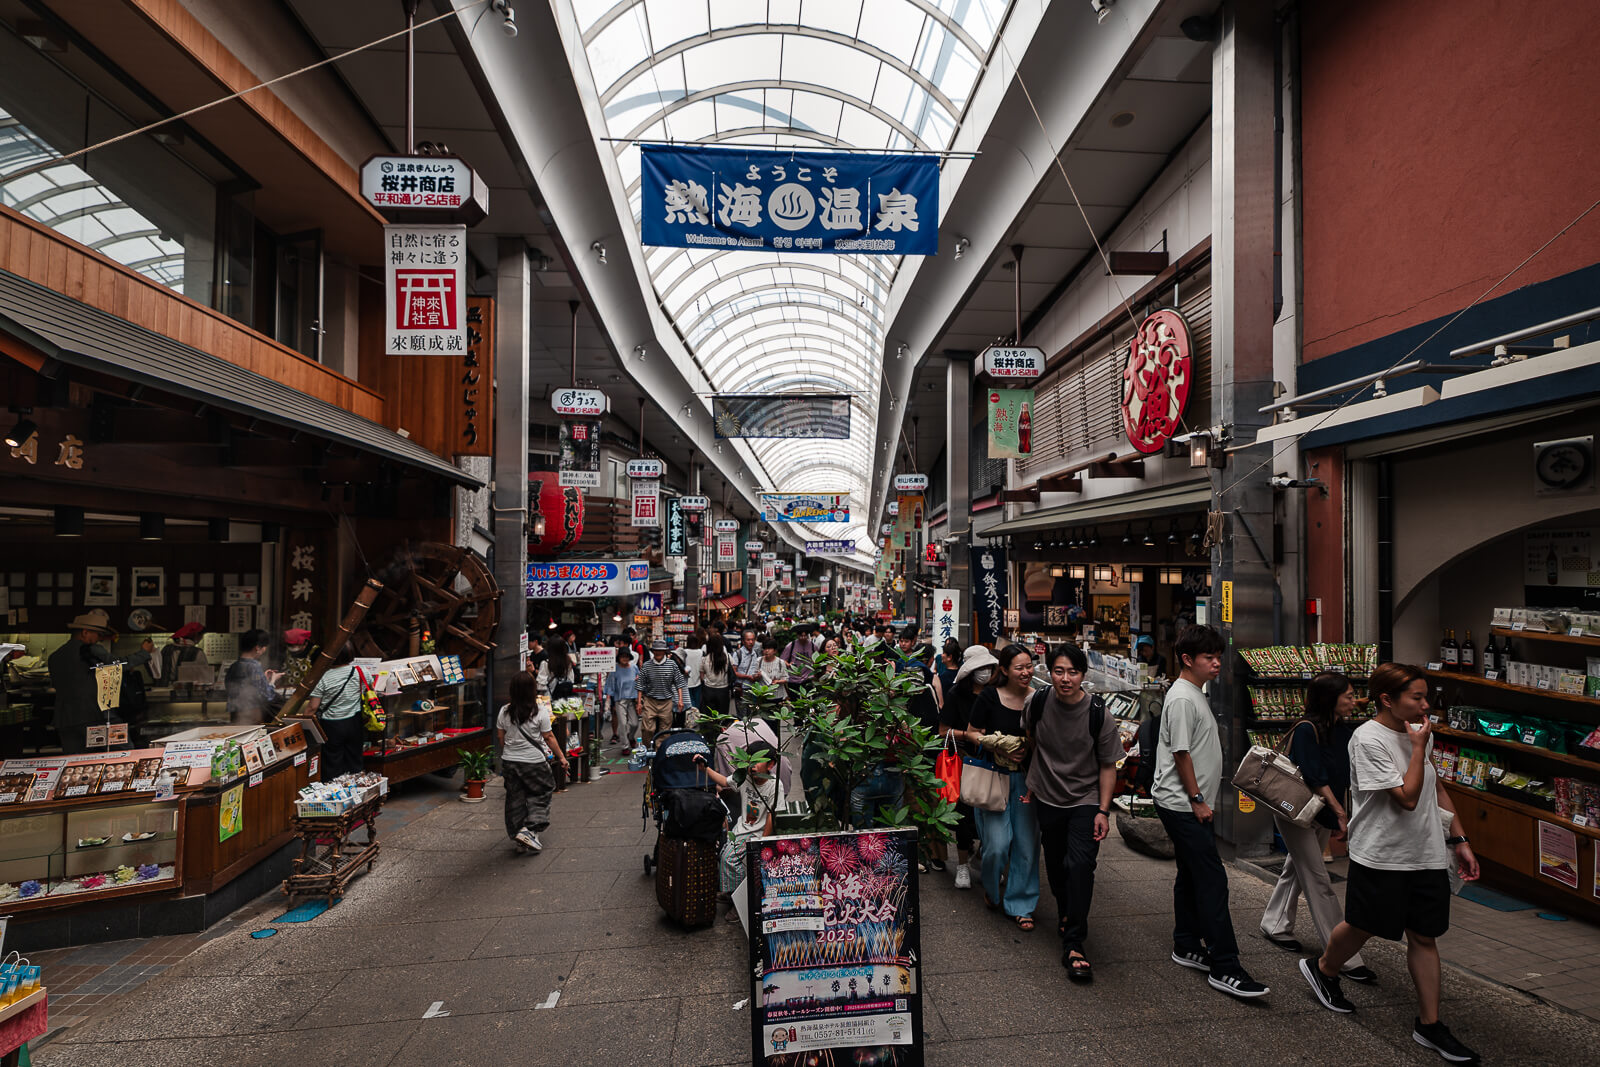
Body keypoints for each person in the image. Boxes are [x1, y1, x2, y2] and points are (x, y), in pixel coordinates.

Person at [1301, 663, 1481, 1063]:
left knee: (1423, 935)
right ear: (1387, 699)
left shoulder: (1419, 734)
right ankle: (1324, 967)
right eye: (1416, 697)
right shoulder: (1367, 740)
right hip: (1381, 854)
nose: (1425, 705)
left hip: (1426, 852)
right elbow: (1407, 797)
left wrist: (1460, 838)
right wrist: (1418, 748)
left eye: (1425, 696)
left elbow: (1434, 786)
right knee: (1365, 925)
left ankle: (1429, 1025)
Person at [1154, 624, 1270, 999]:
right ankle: (1225, 966)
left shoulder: (1192, 693)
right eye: (1209, 657)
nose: (1217, 663)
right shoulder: (1184, 698)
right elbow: (1181, 753)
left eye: (1218, 656)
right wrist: (1197, 799)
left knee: (1191, 874)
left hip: (1183, 802)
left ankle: (1186, 944)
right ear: (1188, 660)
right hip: (1183, 803)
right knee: (1212, 881)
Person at [1259, 671, 1373, 982]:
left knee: (1295, 869)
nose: (1353, 701)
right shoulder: (1308, 729)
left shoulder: (1342, 729)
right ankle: (1343, 955)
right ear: (1329, 699)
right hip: (1297, 811)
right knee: (1317, 878)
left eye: (1353, 695)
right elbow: (1315, 777)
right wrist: (1339, 812)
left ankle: (1275, 923)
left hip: (1321, 813)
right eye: (1347, 696)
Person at [1026, 643, 1122, 981]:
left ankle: (1074, 943)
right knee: (1055, 862)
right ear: (1049, 672)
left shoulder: (1099, 713)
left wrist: (1103, 810)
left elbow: (1108, 765)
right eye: (1059, 671)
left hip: (1085, 799)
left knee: (1080, 864)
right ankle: (1067, 911)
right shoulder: (1037, 702)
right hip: (1048, 797)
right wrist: (1037, 779)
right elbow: (1031, 738)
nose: (1066, 679)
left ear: (1083, 674)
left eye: (1073, 672)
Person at [963, 644, 1040, 929]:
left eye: (1029, 666)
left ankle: (1021, 905)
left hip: (1027, 780)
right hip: (995, 777)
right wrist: (999, 746)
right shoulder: (989, 697)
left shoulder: (1038, 699)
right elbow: (971, 732)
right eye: (1019, 667)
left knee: (1026, 845)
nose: (1026, 672)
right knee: (996, 845)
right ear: (1004, 670)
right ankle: (992, 889)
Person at [939, 644, 996, 891]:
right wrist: (969, 735)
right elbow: (943, 731)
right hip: (964, 760)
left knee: (992, 809)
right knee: (963, 814)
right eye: (980, 668)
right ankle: (962, 865)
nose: (984, 672)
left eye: (988, 667)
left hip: (992, 761)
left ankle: (983, 858)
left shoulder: (996, 693)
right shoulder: (955, 695)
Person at [698, 744, 780, 912]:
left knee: (730, 859)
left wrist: (763, 841)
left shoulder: (774, 785)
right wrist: (704, 768)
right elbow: (724, 781)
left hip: (756, 834)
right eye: (749, 760)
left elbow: (772, 815)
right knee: (725, 856)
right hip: (741, 830)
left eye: (757, 761)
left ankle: (740, 904)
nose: (752, 765)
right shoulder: (744, 777)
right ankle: (733, 894)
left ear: (770, 765)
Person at [497, 669, 567, 854]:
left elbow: (501, 738)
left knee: (515, 799)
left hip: (510, 762)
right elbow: (549, 737)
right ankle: (530, 829)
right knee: (541, 792)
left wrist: (511, 752)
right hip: (533, 762)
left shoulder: (504, 711)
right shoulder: (539, 711)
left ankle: (519, 835)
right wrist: (561, 757)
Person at [48, 609, 116, 754]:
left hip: (64, 718)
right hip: (90, 716)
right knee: (94, 760)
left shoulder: (55, 656)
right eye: (97, 634)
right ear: (85, 633)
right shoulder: (89, 652)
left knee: (72, 761)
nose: (99, 639)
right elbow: (115, 666)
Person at [306, 645, 366, 780]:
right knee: (354, 758)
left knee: (332, 761)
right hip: (355, 721)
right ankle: (358, 790)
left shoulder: (323, 678)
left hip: (331, 725)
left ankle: (335, 792)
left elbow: (313, 707)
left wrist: (302, 723)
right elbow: (366, 690)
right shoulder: (360, 672)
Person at [537, 639, 582, 789]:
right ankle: (569, 759)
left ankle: (556, 771)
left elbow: (540, 685)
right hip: (564, 703)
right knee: (565, 731)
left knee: (550, 735)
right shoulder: (568, 662)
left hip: (548, 705)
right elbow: (571, 681)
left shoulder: (546, 664)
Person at [225, 628, 285, 725]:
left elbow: (235, 688)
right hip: (251, 715)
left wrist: (263, 679)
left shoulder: (234, 666)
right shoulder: (254, 666)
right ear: (257, 648)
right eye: (264, 647)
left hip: (235, 714)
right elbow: (267, 696)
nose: (264, 650)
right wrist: (272, 681)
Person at [636, 639, 687, 744]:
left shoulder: (672, 665)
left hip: (666, 702)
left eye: (660, 650)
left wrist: (680, 700)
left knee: (664, 732)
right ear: (653, 651)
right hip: (650, 701)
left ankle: (659, 753)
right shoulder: (647, 665)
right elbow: (640, 684)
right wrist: (639, 703)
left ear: (665, 651)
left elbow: (679, 683)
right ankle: (647, 750)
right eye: (656, 650)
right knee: (647, 729)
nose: (658, 652)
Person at [603, 649, 639, 743]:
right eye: (622, 656)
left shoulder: (634, 667)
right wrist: (609, 702)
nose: (624, 658)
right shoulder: (614, 669)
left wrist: (639, 700)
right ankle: (625, 746)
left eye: (626, 656)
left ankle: (630, 737)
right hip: (619, 700)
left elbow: (640, 682)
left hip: (632, 700)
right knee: (622, 724)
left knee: (635, 724)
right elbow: (610, 685)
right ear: (619, 658)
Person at [699, 637, 733, 721]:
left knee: (709, 716)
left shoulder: (705, 659)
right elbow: (734, 667)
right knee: (722, 716)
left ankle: (710, 732)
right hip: (723, 690)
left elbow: (701, 675)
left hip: (708, 690)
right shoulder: (727, 657)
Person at [732, 628, 763, 712]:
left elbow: (757, 669)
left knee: (751, 713)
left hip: (753, 689)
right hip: (741, 688)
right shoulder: (738, 654)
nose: (751, 642)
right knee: (742, 714)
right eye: (748, 640)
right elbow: (734, 672)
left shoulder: (755, 653)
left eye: (753, 640)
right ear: (743, 641)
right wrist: (748, 677)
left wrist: (758, 675)